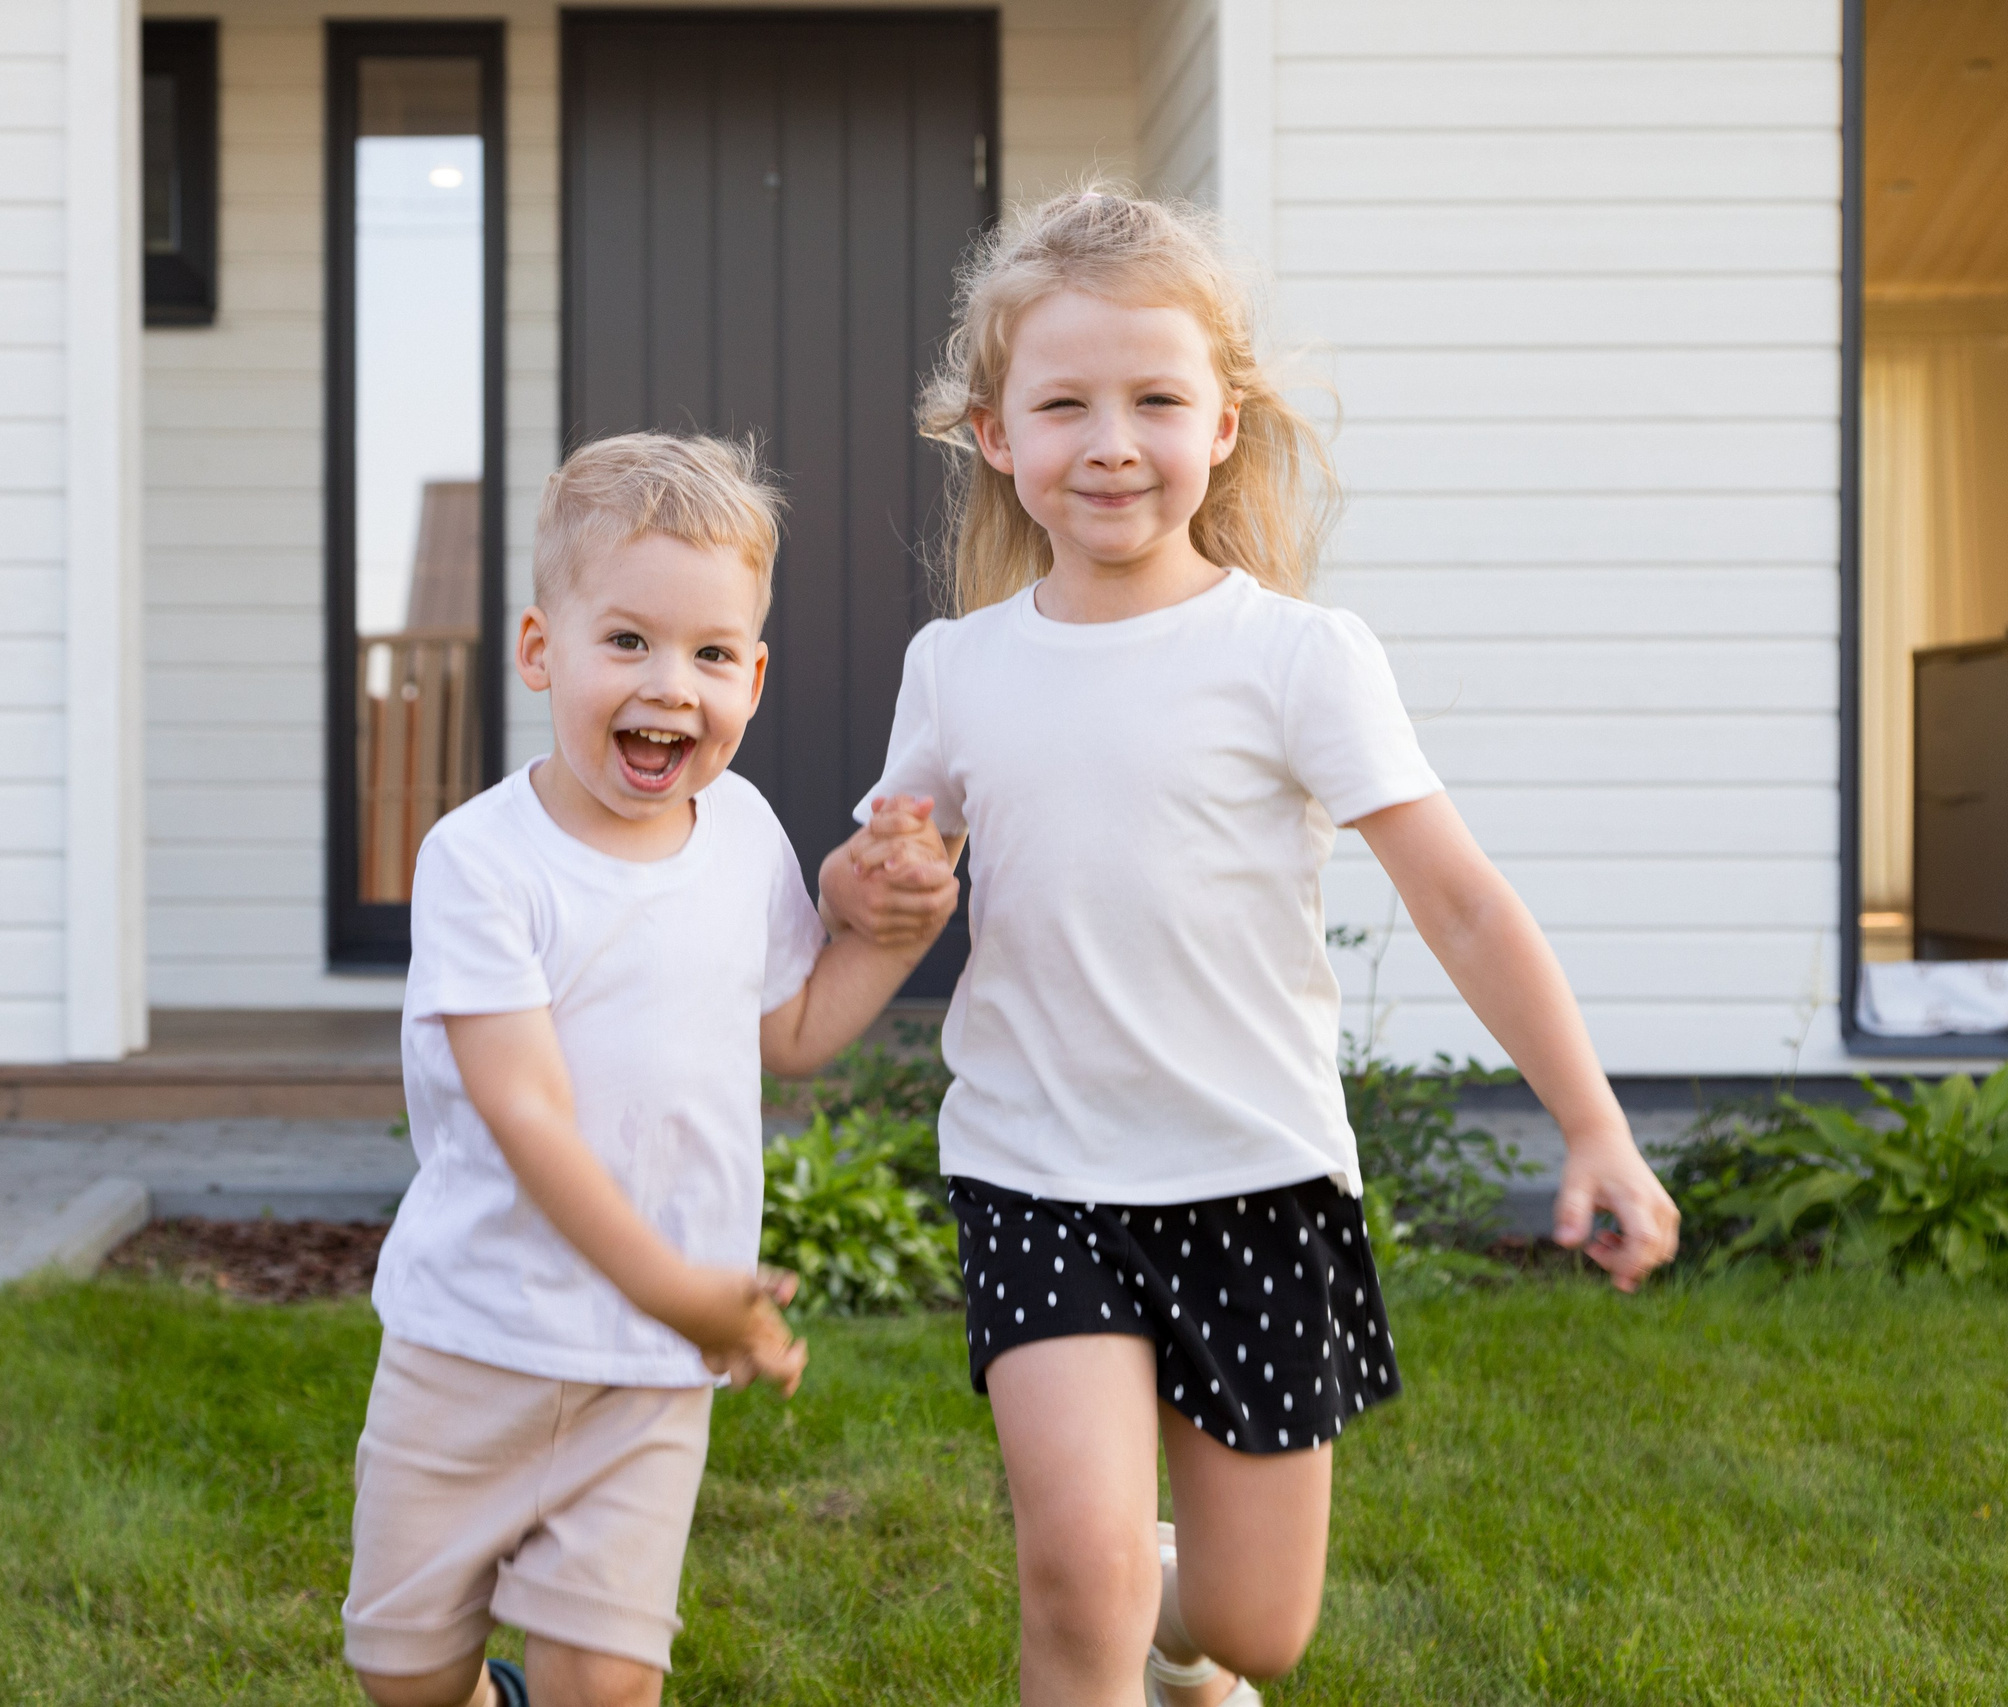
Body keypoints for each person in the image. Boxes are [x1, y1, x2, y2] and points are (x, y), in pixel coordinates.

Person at [818, 188, 1683, 1707]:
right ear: (992, 436)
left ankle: (1184, 1647)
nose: (1110, 441)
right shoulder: (956, 668)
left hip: (1257, 1176)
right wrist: (871, 883)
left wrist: (1595, 1124)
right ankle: (1100, 1604)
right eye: (1064, 403)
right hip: (1039, 1168)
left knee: (1250, 1626)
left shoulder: (1297, 656)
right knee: (1075, 1581)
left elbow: (1464, 900)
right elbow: (892, 865)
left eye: (1157, 399)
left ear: (1225, 423)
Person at [344, 432, 958, 1707]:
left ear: (754, 675)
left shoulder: (739, 835)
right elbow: (523, 1107)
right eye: (625, 642)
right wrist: (680, 1290)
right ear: (539, 651)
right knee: (402, 1676)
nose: (669, 684)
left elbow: (784, 1031)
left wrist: (891, 940)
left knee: (608, 1681)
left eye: (710, 654)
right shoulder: (480, 863)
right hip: (473, 1339)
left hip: (644, 1375)